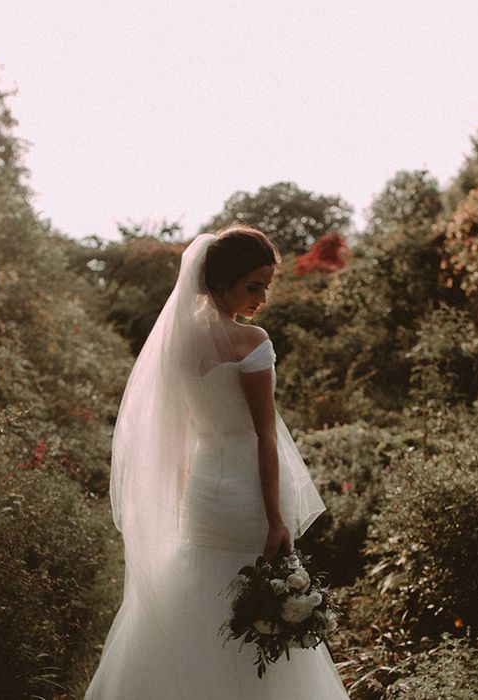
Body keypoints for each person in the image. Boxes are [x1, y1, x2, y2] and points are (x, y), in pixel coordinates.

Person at [85, 226, 349, 699]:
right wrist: (276, 518)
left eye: (267, 286)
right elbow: (264, 435)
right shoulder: (250, 341)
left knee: (197, 597)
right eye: (254, 286)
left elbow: (180, 432)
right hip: (249, 493)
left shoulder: (178, 344)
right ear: (222, 281)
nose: (262, 298)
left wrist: (186, 491)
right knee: (257, 602)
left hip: (204, 491)